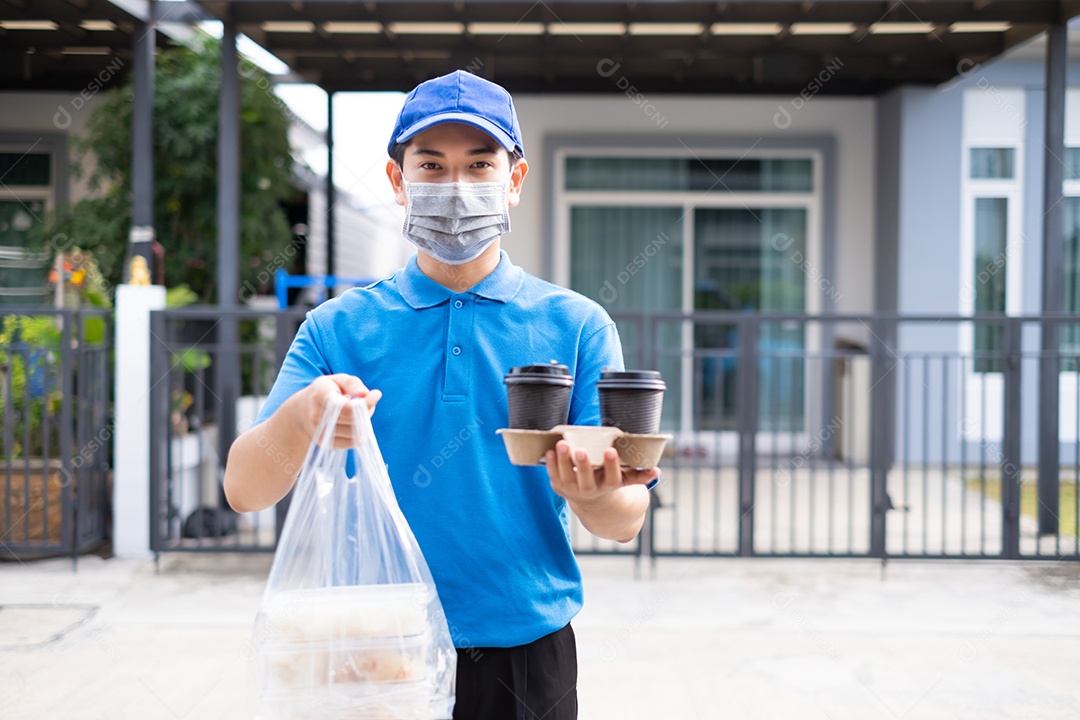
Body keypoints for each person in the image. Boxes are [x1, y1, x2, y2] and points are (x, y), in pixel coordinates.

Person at [223, 70, 661, 720]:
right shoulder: (337, 329)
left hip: (525, 656)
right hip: (373, 650)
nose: (455, 186)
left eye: (479, 165)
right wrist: (301, 419)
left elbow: (625, 518)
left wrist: (594, 494)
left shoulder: (577, 325)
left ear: (514, 179)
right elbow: (244, 490)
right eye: (431, 165)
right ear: (398, 180)